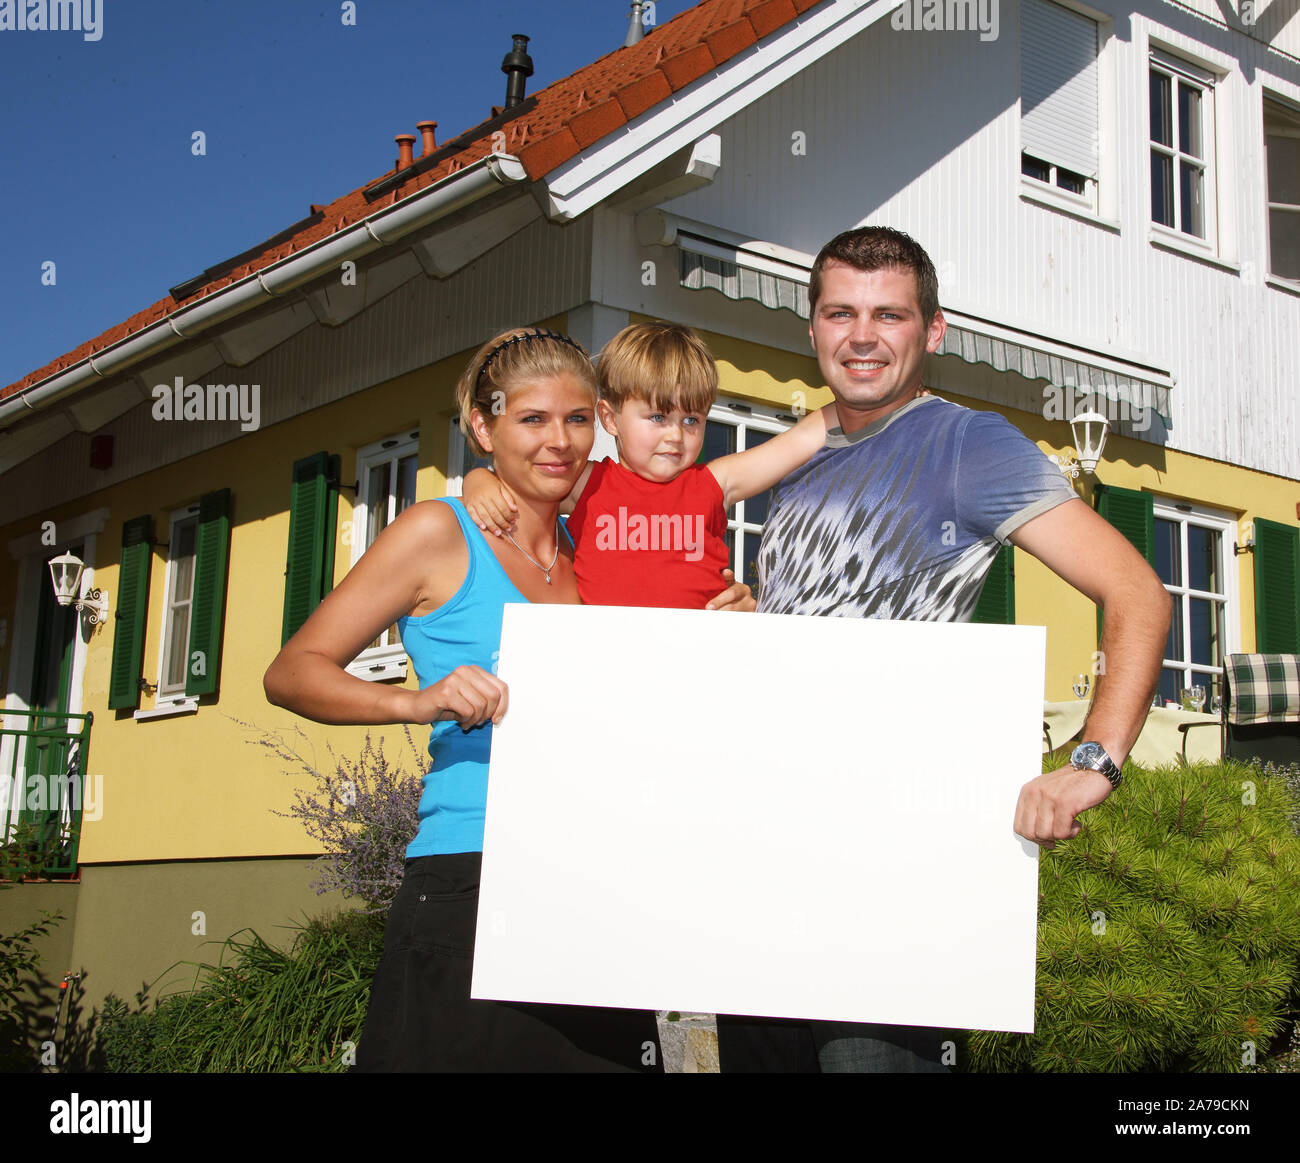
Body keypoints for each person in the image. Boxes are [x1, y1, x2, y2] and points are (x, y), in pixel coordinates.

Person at [716, 226, 1172, 1073]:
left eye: (889, 315)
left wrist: (1096, 760)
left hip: (894, 864)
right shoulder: (803, 457)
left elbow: (1137, 591)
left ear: (933, 331)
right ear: (811, 327)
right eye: (840, 312)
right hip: (773, 857)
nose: (861, 336)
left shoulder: (969, 443)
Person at [263, 326, 755, 1072]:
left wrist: (724, 618)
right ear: (482, 427)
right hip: (472, 872)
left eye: (577, 418)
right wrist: (419, 701)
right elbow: (292, 670)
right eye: (531, 419)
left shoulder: (595, 544)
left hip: (595, 874)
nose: (559, 441)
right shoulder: (438, 530)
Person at [462, 320, 836, 608]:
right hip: (611, 673)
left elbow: (799, 441)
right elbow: (519, 485)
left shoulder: (712, 483)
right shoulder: (586, 483)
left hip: (697, 665)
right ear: (609, 418)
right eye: (658, 417)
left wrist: (876, 397)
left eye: (692, 420)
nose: (675, 435)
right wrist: (478, 479)